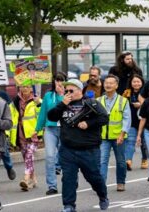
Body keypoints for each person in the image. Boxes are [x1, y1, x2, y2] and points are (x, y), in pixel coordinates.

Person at [47, 79, 109, 212]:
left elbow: (104, 118)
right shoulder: (63, 104)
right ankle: (69, 205)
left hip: (89, 149)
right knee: (68, 179)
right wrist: (62, 104)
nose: (68, 93)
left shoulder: (91, 103)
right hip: (68, 149)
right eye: (66, 91)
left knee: (93, 177)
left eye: (71, 91)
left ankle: (102, 195)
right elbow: (51, 117)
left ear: (80, 91)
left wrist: (88, 124)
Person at [97, 75, 131, 192]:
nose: (108, 85)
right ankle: (101, 185)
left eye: (111, 83)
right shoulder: (98, 100)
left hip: (118, 137)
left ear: (116, 85)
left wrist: (122, 134)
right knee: (102, 161)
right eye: (106, 82)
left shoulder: (123, 100)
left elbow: (127, 119)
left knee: (121, 161)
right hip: (103, 137)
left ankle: (121, 182)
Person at [35, 72, 67, 195]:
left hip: (65, 130)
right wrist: (37, 129)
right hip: (50, 129)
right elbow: (43, 113)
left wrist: (61, 95)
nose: (59, 82)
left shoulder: (68, 95)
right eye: (57, 80)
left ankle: (69, 180)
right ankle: (52, 185)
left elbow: (64, 108)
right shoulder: (48, 95)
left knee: (65, 156)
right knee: (49, 156)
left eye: (61, 80)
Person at [10, 85, 42, 191]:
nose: (24, 89)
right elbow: (10, 116)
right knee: (27, 158)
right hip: (20, 134)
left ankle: (26, 178)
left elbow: (42, 116)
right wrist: (8, 133)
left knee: (29, 155)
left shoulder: (37, 101)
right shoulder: (15, 101)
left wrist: (39, 104)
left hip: (33, 134)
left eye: (27, 87)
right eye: (22, 86)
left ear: (31, 89)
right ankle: (33, 180)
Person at [122, 74, 149, 170]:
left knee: (144, 142)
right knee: (130, 141)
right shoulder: (127, 93)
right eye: (134, 82)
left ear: (142, 83)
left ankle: (145, 159)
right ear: (131, 83)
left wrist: (141, 105)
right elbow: (122, 104)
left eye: (138, 81)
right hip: (132, 121)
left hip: (145, 121)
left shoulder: (147, 92)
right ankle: (128, 161)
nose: (136, 83)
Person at [0, 89, 17, 180]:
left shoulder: (3, 94)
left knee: (4, 152)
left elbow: (11, 111)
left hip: (2, 129)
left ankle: (9, 167)